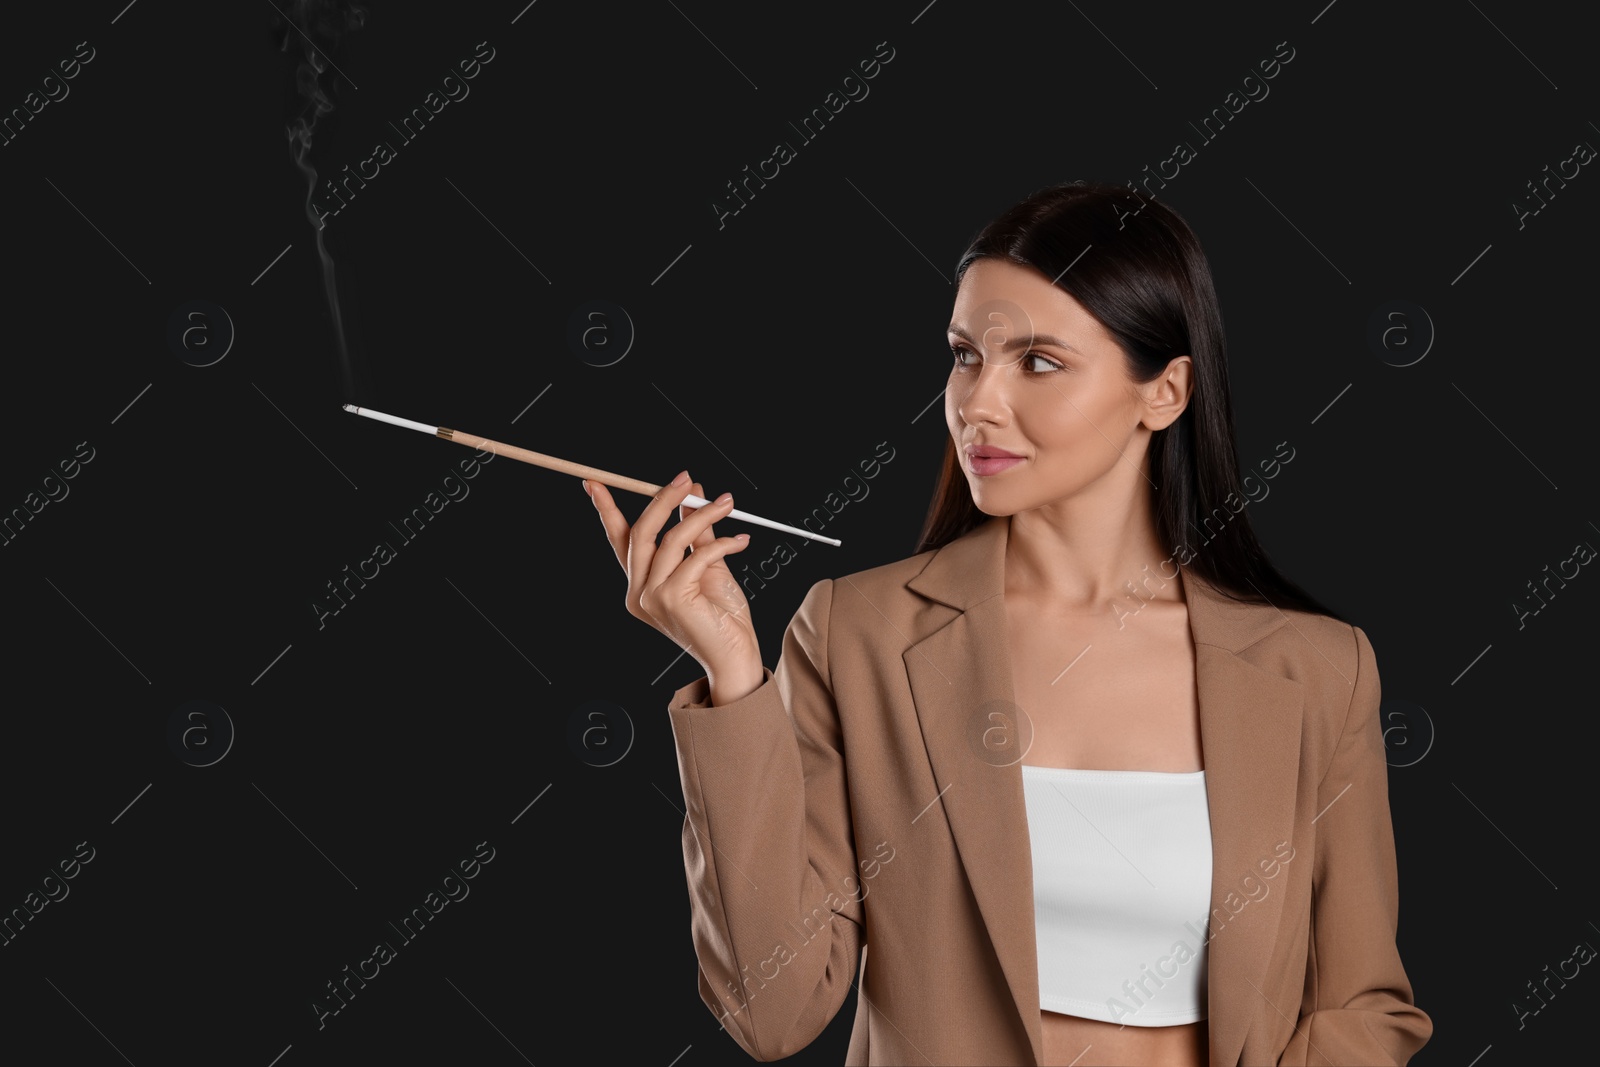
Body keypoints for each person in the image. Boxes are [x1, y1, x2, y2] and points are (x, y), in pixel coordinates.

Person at [583, 181, 1433, 1066]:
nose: (976, 404)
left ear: (1166, 391)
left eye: (1038, 360)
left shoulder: (1319, 671)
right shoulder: (857, 634)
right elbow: (774, 1009)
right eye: (963, 355)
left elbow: (1363, 1006)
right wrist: (732, 677)